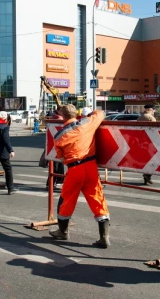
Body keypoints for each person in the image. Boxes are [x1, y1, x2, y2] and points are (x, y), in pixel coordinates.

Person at [48, 104, 111, 248]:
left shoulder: (59, 136)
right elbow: (100, 113)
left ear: (62, 117)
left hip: (74, 169)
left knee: (67, 199)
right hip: (91, 167)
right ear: (76, 114)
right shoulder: (87, 123)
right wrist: (91, 112)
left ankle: (63, 231)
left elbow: (61, 157)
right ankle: (104, 237)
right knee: (97, 199)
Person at [137, 104, 157, 185]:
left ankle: (146, 177)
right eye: (154, 110)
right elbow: (155, 129)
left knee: (146, 159)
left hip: (141, 142)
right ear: (151, 110)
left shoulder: (139, 117)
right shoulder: (151, 118)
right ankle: (147, 175)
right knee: (154, 160)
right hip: (149, 142)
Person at [48, 109, 65, 190]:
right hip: (59, 145)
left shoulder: (53, 118)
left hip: (53, 145)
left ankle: (55, 182)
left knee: (56, 165)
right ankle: (54, 182)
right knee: (57, 165)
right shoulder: (60, 119)